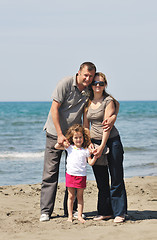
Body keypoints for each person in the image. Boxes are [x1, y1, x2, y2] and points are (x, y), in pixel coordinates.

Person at [40, 62, 97, 222]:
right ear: (78, 72)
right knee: (50, 173)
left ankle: (70, 211)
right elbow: (54, 109)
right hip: (54, 134)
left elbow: (86, 118)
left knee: (72, 171)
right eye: (86, 75)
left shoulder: (88, 90)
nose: (88, 78)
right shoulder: (65, 83)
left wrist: (88, 139)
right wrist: (59, 134)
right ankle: (45, 211)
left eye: (91, 76)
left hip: (74, 139)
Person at [83, 72, 127, 223]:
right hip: (94, 143)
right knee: (101, 180)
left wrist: (102, 146)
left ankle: (120, 212)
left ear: (105, 85)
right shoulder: (87, 102)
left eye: (101, 83)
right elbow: (85, 126)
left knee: (116, 177)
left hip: (111, 141)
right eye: (95, 83)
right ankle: (105, 212)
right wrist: (89, 143)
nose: (97, 86)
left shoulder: (108, 101)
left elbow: (107, 126)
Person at [55, 124, 97, 223]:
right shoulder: (69, 148)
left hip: (81, 176)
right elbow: (56, 146)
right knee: (70, 196)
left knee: (80, 197)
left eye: (80, 137)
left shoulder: (86, 150)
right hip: (70, 175)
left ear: (83, 137)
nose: (78, 140)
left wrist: (94, 156)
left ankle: (79, 216)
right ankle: (70, 216)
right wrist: (64, 142)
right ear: (72, 138)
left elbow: (90, 163)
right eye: (76, 138)